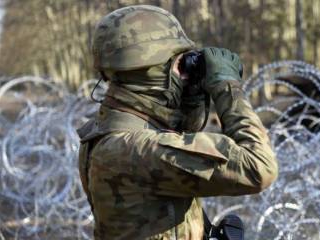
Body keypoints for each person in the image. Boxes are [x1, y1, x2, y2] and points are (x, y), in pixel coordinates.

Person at [77, 5, 278, 240]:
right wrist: (227, 86)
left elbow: (182, 134)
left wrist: (190, 95)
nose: (185, 74)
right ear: (152, 72)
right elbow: (259, 167)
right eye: (180, 65)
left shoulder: (110, 126)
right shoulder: (136, 149)